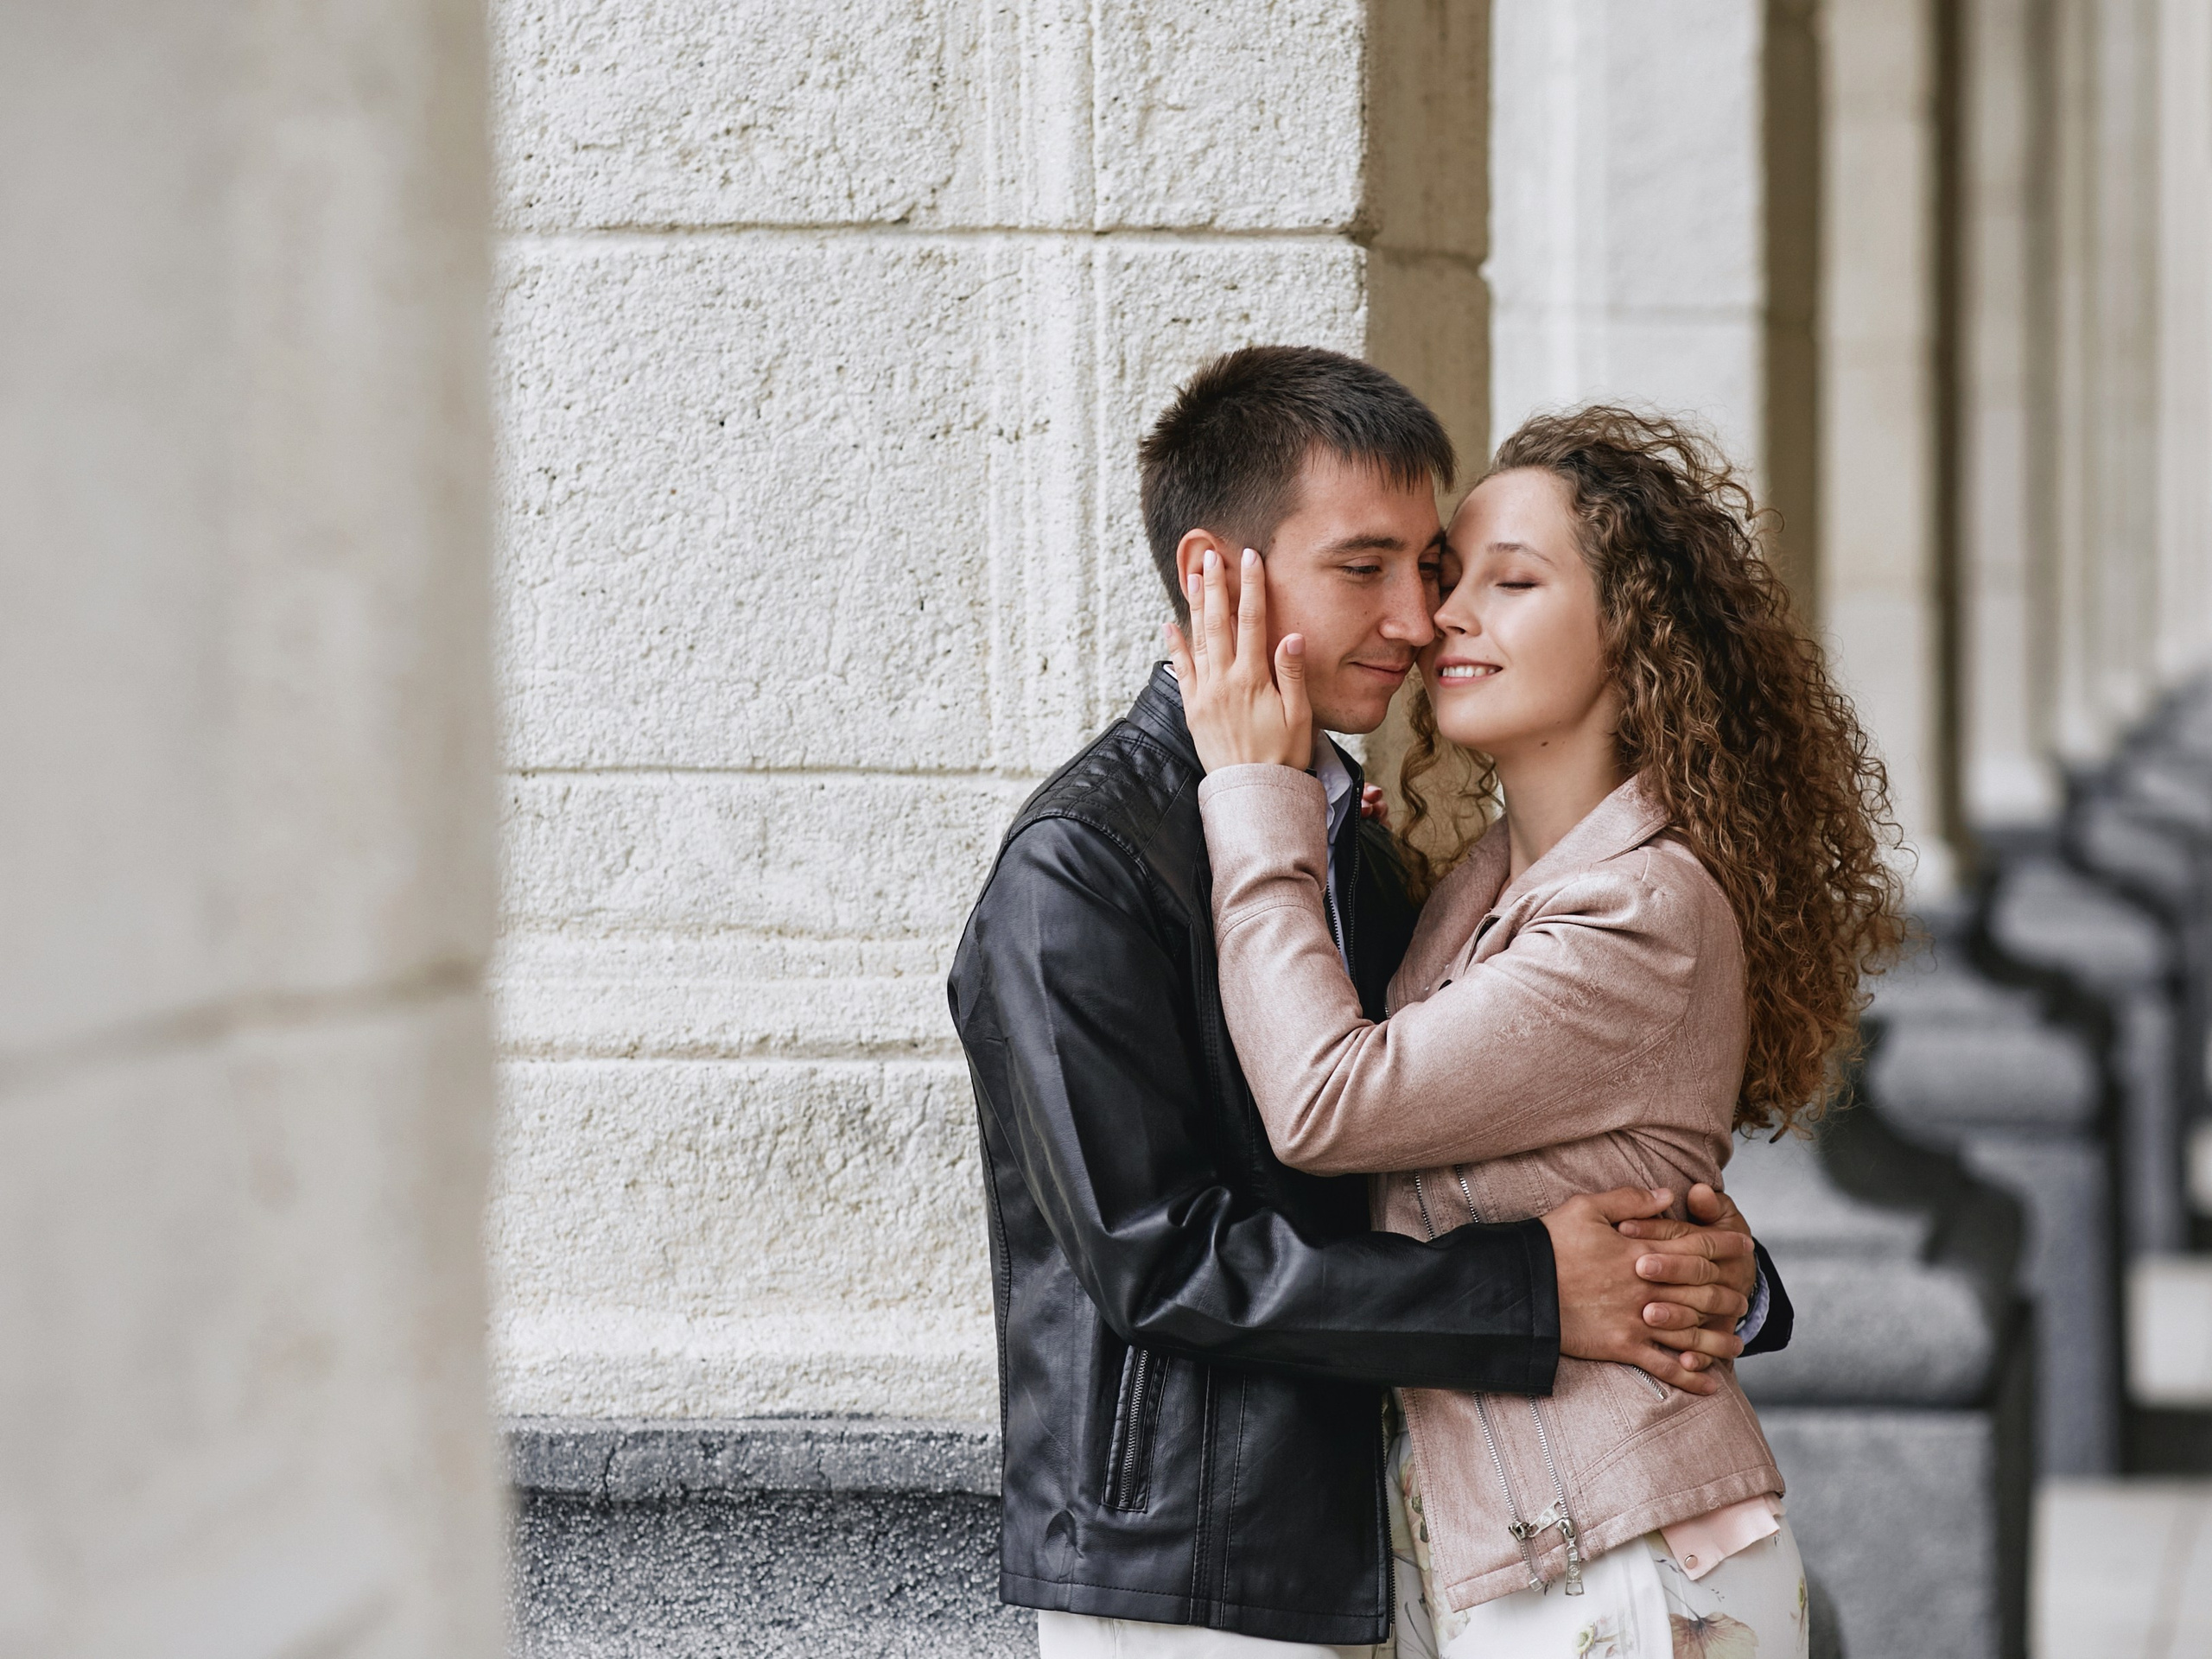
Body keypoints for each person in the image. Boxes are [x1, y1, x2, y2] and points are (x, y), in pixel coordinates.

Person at [948, 350, 1800, 1659]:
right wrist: (1532, 1296)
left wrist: (1707, 1262)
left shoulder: (1351, 841)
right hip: (1194, 1569)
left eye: (1436, 569)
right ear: (1213, 574)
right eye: (1367, 569)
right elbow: (1160, 1258)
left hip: (1411, 1540)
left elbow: (1476, 1140)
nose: (1418, 617)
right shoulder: (1083, 866)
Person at [1170, 404, 1905, 1656]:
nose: (1444, 614)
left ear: (1634, 632)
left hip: (1623, 1566)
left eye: (1511, 583)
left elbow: (1326, 1102)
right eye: (1451, 580)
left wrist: (1252, 794)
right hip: (1509, 1552)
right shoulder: (1476, 886)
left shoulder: (1644, 908)